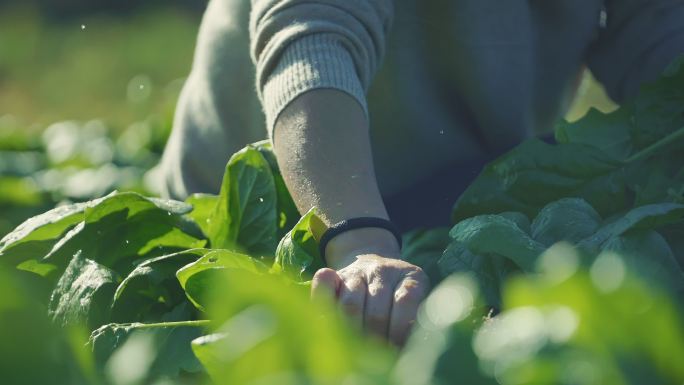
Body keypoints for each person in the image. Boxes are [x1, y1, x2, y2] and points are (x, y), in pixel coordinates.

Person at [159, 0, 684, 345]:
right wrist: (360, 247)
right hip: (279, 215)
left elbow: (656, 36)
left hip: (468, 188)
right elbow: (312, 43)